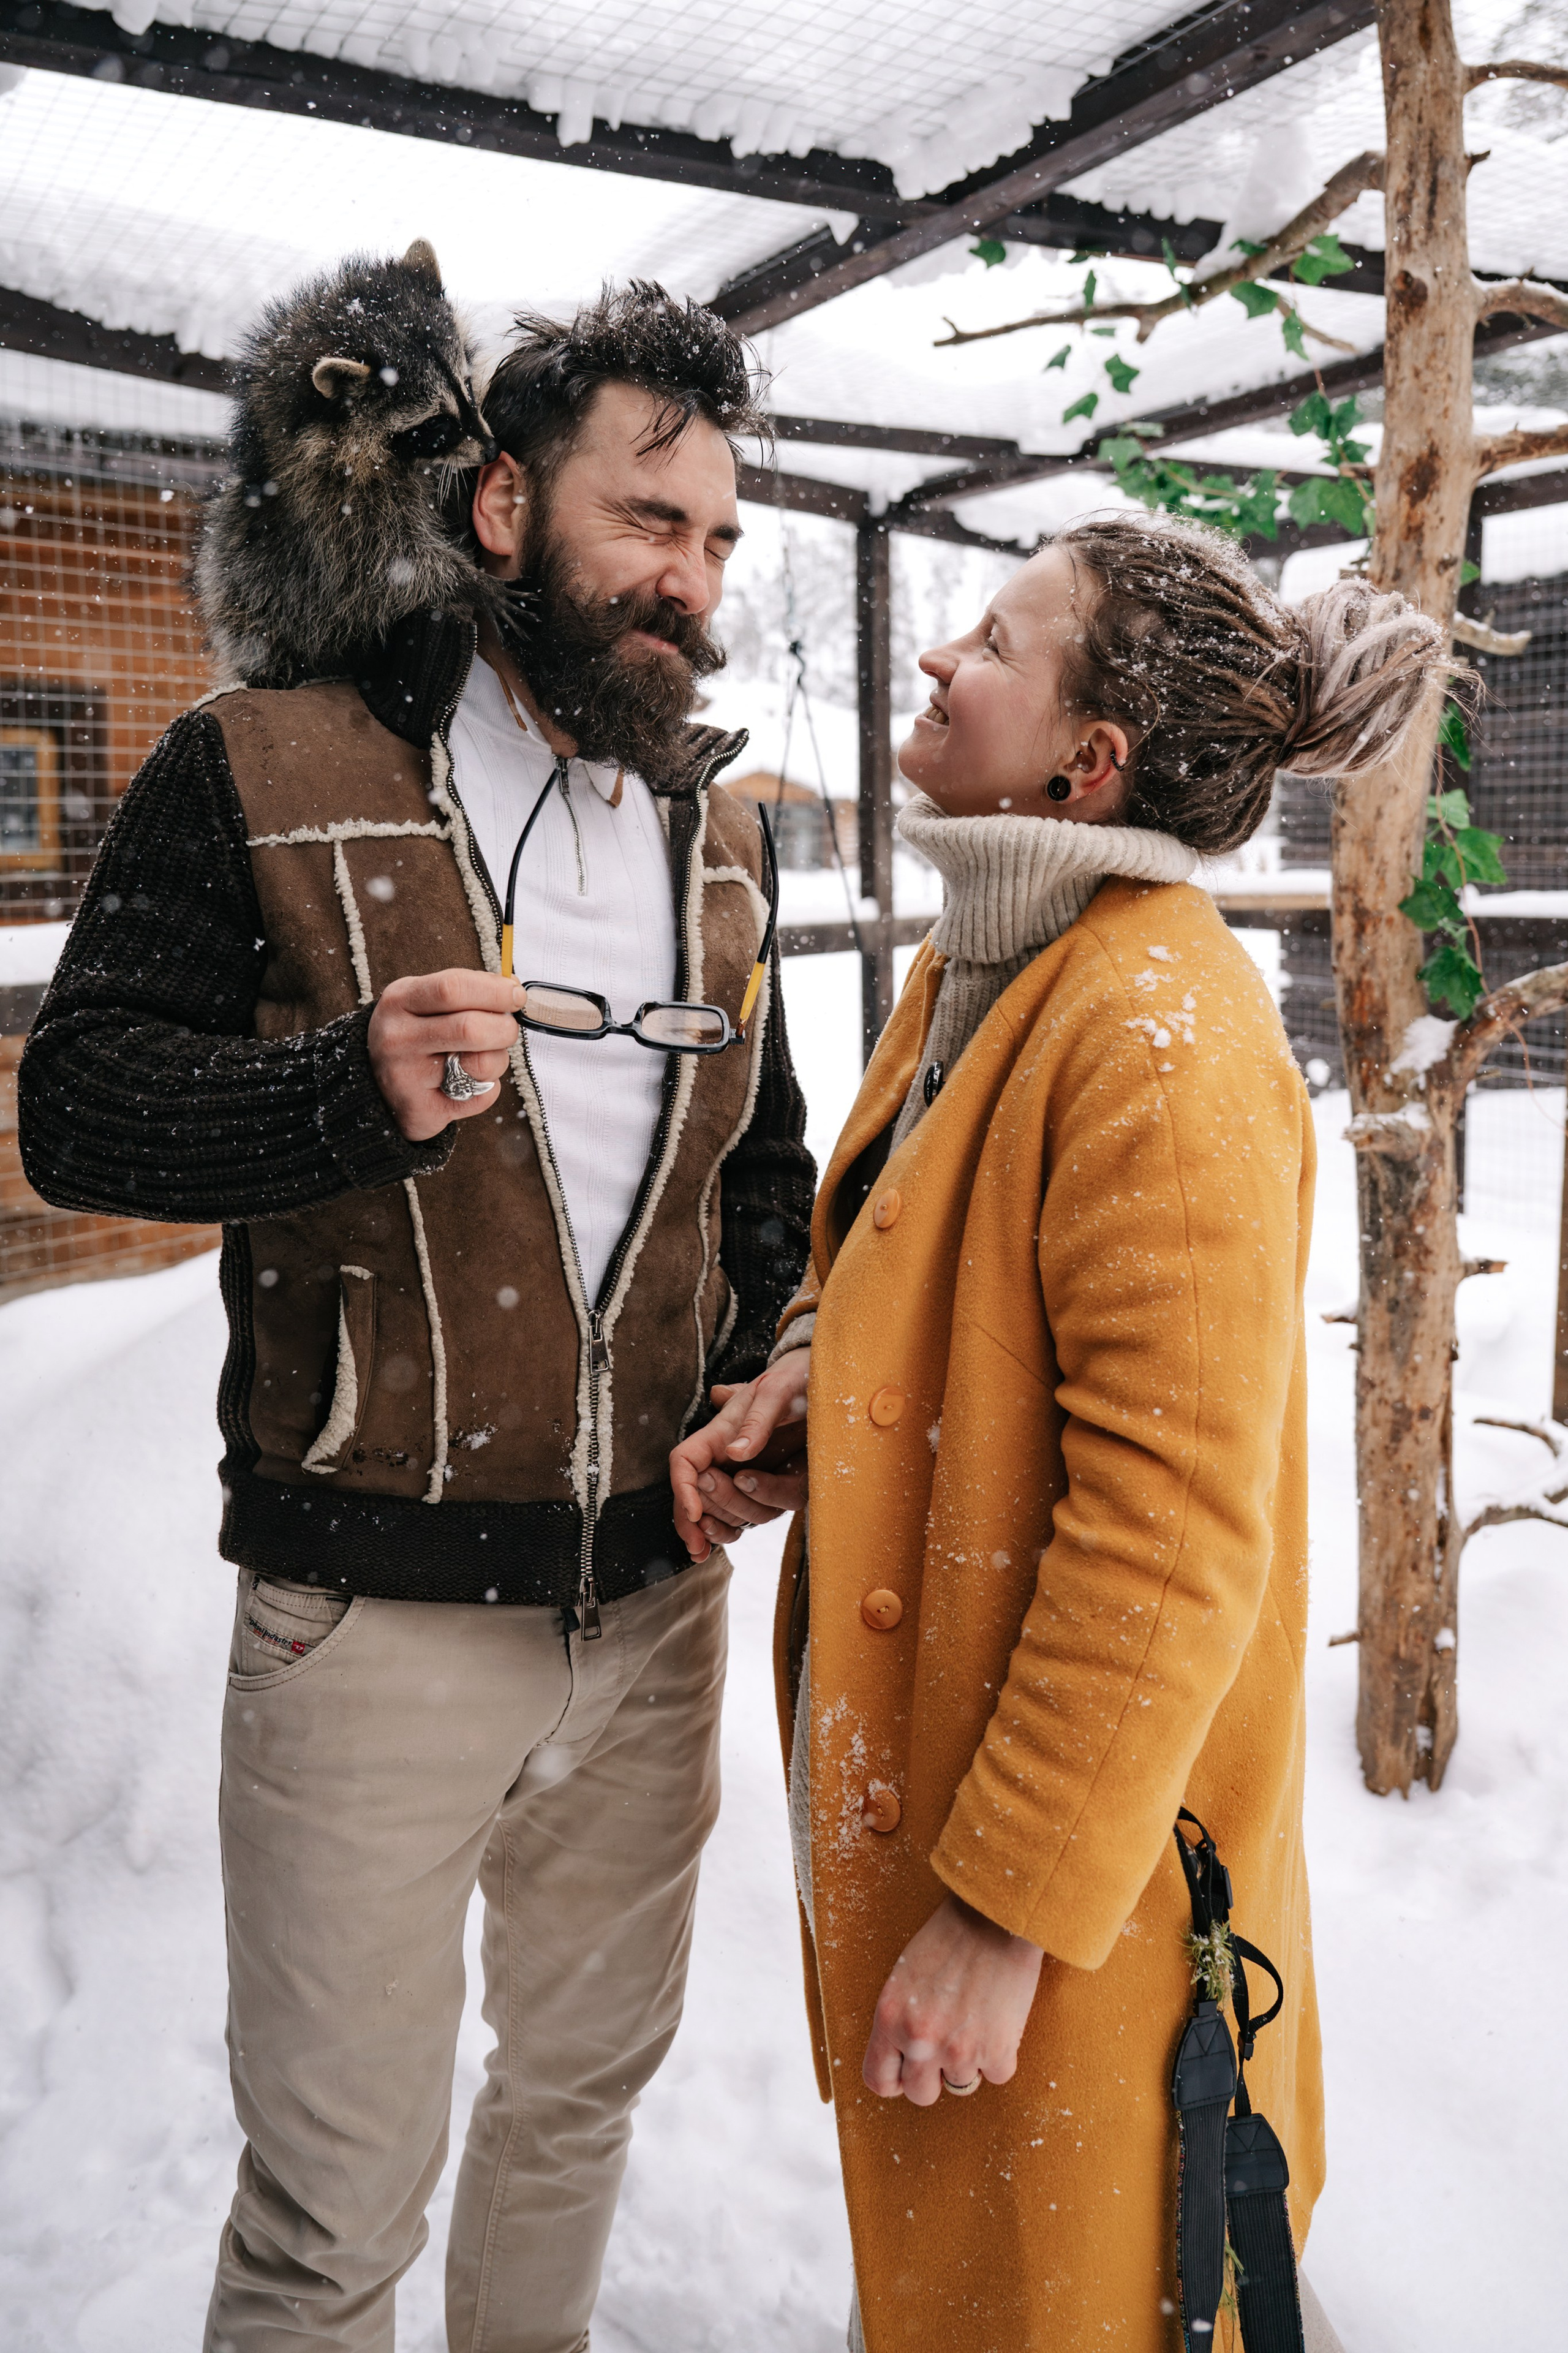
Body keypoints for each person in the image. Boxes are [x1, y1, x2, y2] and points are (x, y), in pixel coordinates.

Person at [19, 260, 813, 2353]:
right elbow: (76, 1105)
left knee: (572, 2112)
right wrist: (329, 1086)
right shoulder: (256, 760)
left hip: (653, 1619)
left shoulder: (718, 835)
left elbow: (764, 1175)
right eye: (650, 515)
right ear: (500, 513)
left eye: (722, 535)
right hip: (361, 1624)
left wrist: (764, 1376)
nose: (692, 573)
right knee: (329, 2210)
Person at [671, 516, 1453, 2352]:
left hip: (1088, 1908)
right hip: (977, 1819)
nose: (939, 660)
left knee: (1106, 2292)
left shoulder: (1160, 1031)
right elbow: (917, 1266)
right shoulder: (986, 965)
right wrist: (814, 1386)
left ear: (1086, 760)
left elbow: (1170, 1537)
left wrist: (1001, 1912)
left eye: (995, 643)